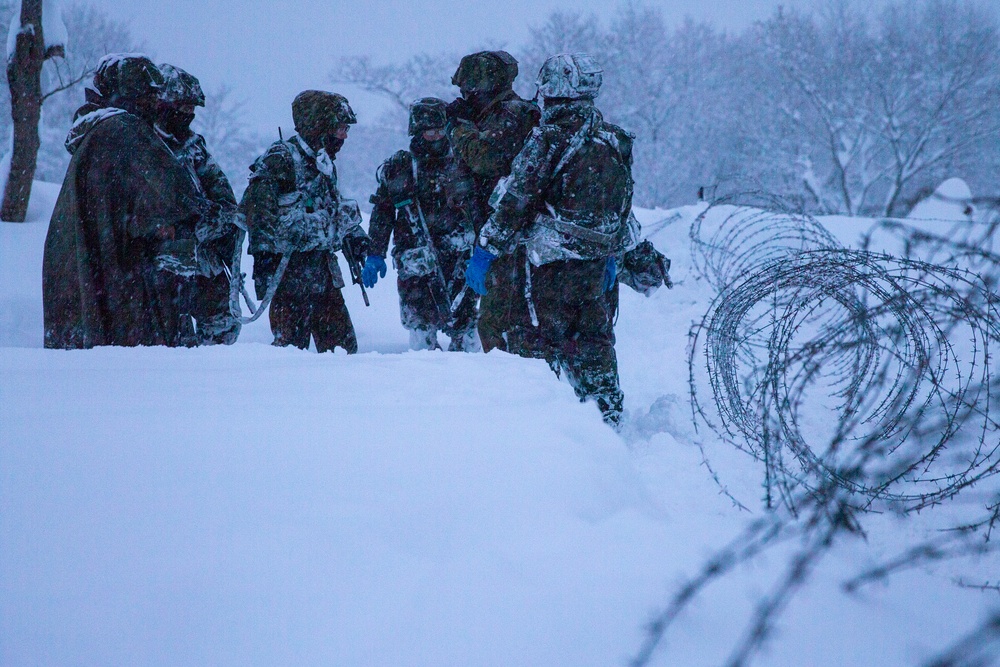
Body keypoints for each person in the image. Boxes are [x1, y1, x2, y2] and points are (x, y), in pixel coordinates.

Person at [465, 53, 635, 428]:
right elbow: (623, 203)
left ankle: (546, 423)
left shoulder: (549, 138)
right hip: (593, 266)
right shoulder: (614, 138)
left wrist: (486, 249)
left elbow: (517, 198)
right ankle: (607, 408)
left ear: (552, 90)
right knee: (593, 336)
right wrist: (612, 253)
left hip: (549, 266)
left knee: (538, 340)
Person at [43, 54, 210, 349]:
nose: (156, 106)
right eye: (149, 97)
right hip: (125, 279)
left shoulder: (95, 131)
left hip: (90, 271)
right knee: (135, 372)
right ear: (135, 95)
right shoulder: (126, 132)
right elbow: (170, 202)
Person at [241, 90, 371, 353]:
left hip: (322, 273)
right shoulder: (283, 158)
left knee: (343, 352)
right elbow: (257, 209)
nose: (344, 135)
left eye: (346, 128)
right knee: (290, 355)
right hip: (287, 275)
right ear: (318, 126)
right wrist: (263, 256)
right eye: (339, 128)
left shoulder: (323, 162)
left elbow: (331, 204)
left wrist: (353, 235)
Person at [363, 97, 478, 351]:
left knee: (468, 330)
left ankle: (472, 383)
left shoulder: (463, 160)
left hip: (460, 260)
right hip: (417, 262)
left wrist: (482, 250)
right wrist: (375, 253)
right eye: (430, 132)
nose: (437, 137)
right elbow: (383, 213)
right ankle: (423, 383)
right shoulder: (400, 166)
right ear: (417, 131)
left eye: (441, 130)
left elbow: (478, 209)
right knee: (421, 332)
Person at [445, 50, 540, 356]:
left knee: (502, 328)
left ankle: (520, 393)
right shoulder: (491, 117)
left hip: (514, 239)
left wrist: (458, 129)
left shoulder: (514, 115)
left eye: (468, 90)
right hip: (498, 236)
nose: (464, 96)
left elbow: (486, 158)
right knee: (497, 324)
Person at [156, 63, 241, 345]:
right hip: (164, 266)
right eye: (182, 105)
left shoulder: (194, 146)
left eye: (192, 108)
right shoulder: (144, 145)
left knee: (223, 331)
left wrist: (210, 223)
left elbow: (225, 197)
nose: (188, 114)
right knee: (173, 343)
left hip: (206, 261)